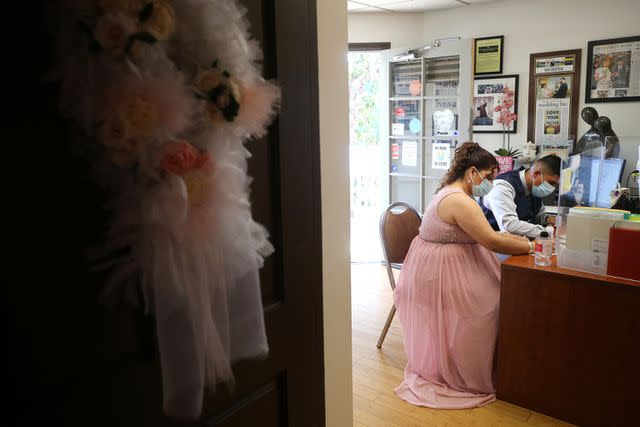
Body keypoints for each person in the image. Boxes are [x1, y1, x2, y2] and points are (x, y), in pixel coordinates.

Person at [394, 142, 532, 410]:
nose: (491, 182)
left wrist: (516, 238)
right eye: (489, 176)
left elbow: (490, 235)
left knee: (498, 291)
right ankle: (470, 370)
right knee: (491, 303)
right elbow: (491, 240)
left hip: (442, 264)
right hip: (438, 273)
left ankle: (482, 361)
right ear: (472, 172)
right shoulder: (458, 200)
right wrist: (530, 247)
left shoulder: (456, 193)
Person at [481, 155, 561, 238]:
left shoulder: (534, 189)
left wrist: (548, 219)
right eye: (551, 183)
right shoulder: (503, 186)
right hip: (494, 243)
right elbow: (509, 226)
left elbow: (537, 215)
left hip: (520, 241)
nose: (552, 188)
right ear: (536, 173)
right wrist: (550, 231)